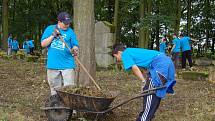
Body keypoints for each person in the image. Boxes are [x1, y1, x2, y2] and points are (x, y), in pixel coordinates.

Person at [112, 44, 176, 121]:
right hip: (165, 62)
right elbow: (146, 63)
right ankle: (148, 116)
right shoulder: (131, 51)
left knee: (150, 91)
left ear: (119, 52)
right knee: (155, 91)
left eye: (116, 57)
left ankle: (144, 118)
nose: (118, 59)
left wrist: (143, 81)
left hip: (160, 64)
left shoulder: (125, 53)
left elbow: (134, 68)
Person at [41, 11, 79, 96]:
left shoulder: (70, 32)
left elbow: (75, 45)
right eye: (65, 23)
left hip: (67, 65)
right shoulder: (50, 29)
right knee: (55, 90)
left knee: (70, 89)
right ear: (59, 22)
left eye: (68, 23)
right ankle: (56, 106)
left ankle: (70, 108)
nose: (67, 25)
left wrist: (74, 49)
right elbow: (43, 44)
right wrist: (52, 36)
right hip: (53, 64)